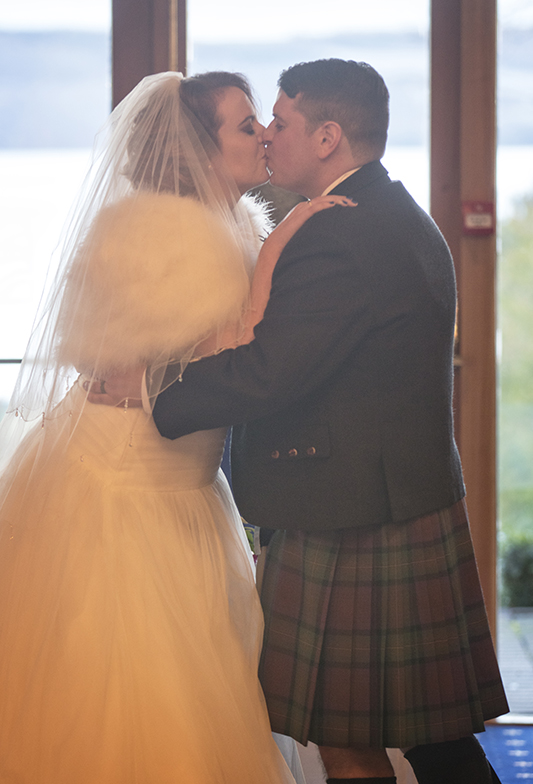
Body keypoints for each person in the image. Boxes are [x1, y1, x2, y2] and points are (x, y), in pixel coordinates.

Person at [88, 59, 509, 784]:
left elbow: (269, 372)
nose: (267, 135)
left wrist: (156, 393)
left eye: (279, 122)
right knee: (430, 740)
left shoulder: (340, 234)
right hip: (385, 498)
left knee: (350, 743)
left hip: (351, 514)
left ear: (327, 138)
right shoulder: (385, 211)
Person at [0, 68, 352, 783]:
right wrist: (285, 240)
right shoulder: (166, 233)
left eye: (262, 121)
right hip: (123, 486)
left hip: (184, 482)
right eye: (245, 125)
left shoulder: (228, 222)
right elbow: (229, 350)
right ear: (199, 150)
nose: (263, 134)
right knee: (125, 688)